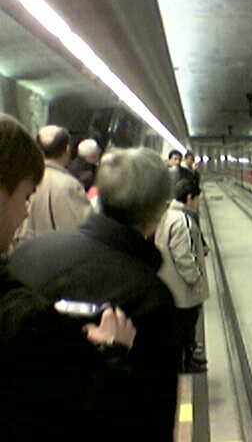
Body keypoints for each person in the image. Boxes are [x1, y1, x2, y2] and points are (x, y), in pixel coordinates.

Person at [10, 147, 180, 441]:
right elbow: (151, 417)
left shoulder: (27, 253)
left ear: (98, 195)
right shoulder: (151, 297)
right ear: (159, 212)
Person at [0, 115, 137, 440]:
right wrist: (111, 352)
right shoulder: (22, 317)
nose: (23, 214)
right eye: (25, 197)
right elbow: (81, 417)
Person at [156, 179, 209, 374]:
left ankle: (185, 360)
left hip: (170, 282)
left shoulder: (167, 215)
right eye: (197, 199)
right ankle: (187, 363)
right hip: (182, 286)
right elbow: (184, 256)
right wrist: (196, 280)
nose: (198, 204)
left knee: (179, 327)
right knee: (186, 326)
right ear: (189, 198)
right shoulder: (182, 220)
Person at [16, 125, 92, 243]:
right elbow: (85, 229)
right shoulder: (69, 185)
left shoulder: (21, 178)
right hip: (53, 255)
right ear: (67, 150)